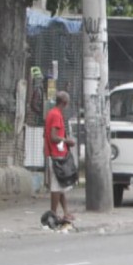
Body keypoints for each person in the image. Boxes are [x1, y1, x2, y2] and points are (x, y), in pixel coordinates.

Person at [43, 91, 76, 224]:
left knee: (61, 185)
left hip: (57, 153)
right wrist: (68, 141)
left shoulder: (53, 113)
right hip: (57, 154)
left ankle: (66, 212)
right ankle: (53, 214)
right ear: (64, 103)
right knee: (56, 187)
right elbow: (54, 137)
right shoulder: (56, 115)